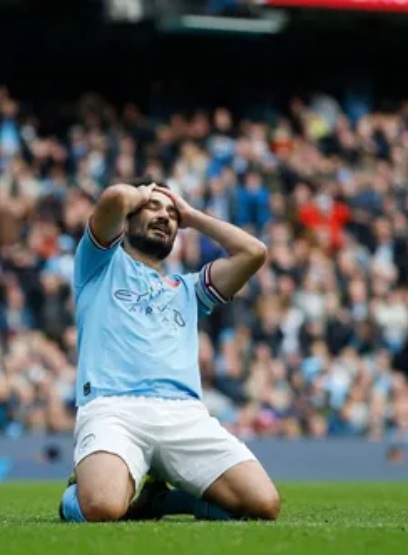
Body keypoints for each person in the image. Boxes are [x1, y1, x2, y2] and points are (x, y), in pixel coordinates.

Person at [58, 177, 281, 523]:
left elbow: (254, 253)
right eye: (153, 208)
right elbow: (115, 196)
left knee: (264, 505)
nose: (165, 216)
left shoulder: (189, 289)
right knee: (102, 507)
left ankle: (162, 502)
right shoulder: (98, 265)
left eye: (171, 214)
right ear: (129, 216)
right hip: (114, 409)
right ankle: (77, 493)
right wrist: (144, 193)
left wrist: (192, 216)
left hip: (184, 415)